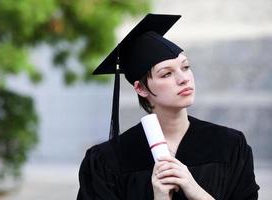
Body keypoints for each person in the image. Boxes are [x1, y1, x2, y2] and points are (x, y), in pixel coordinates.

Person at [77, 14, 259, 200]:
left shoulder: (229, 146)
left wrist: (195, 190)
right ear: (140, 88)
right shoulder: (108, 160)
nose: (183, 79)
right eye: (166, 74)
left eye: (185, 67)